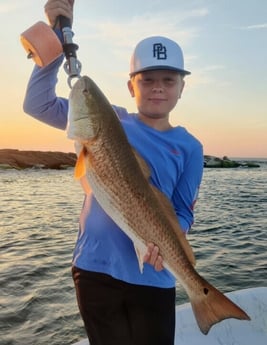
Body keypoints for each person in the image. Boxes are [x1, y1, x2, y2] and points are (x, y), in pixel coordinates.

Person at [23, 1, 203, 344]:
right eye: (147, 79)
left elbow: (181, 212)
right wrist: (55, 38)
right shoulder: (110, 121)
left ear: (182, 88)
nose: (158, 87)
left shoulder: (190, 147)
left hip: (156, 274)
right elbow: (37, 104)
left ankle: (200, 296)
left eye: (168, 79)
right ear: (131, 86)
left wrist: (163, 242)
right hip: (94, 269)